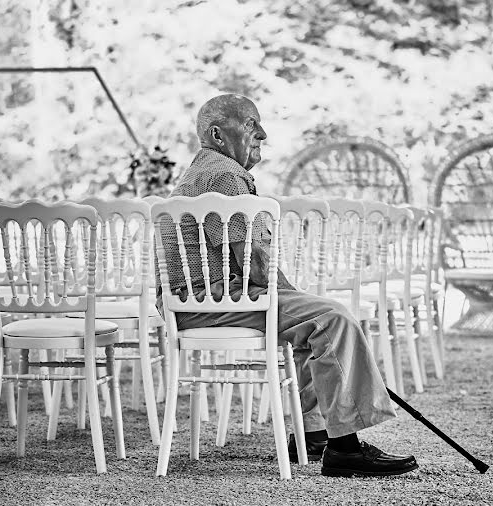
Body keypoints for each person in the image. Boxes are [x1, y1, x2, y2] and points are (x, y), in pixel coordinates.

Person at [157, 94, 418, 478]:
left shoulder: (199, 172)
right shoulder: (226, 176)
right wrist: (300, 297)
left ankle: (313, 435)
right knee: (332, 318)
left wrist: (297, 300)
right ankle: (345, 449)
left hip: (190, 301)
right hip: (208, 300)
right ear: (217, 133)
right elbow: (258, 261)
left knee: (309, 319)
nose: (261, 133)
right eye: (249, 124)